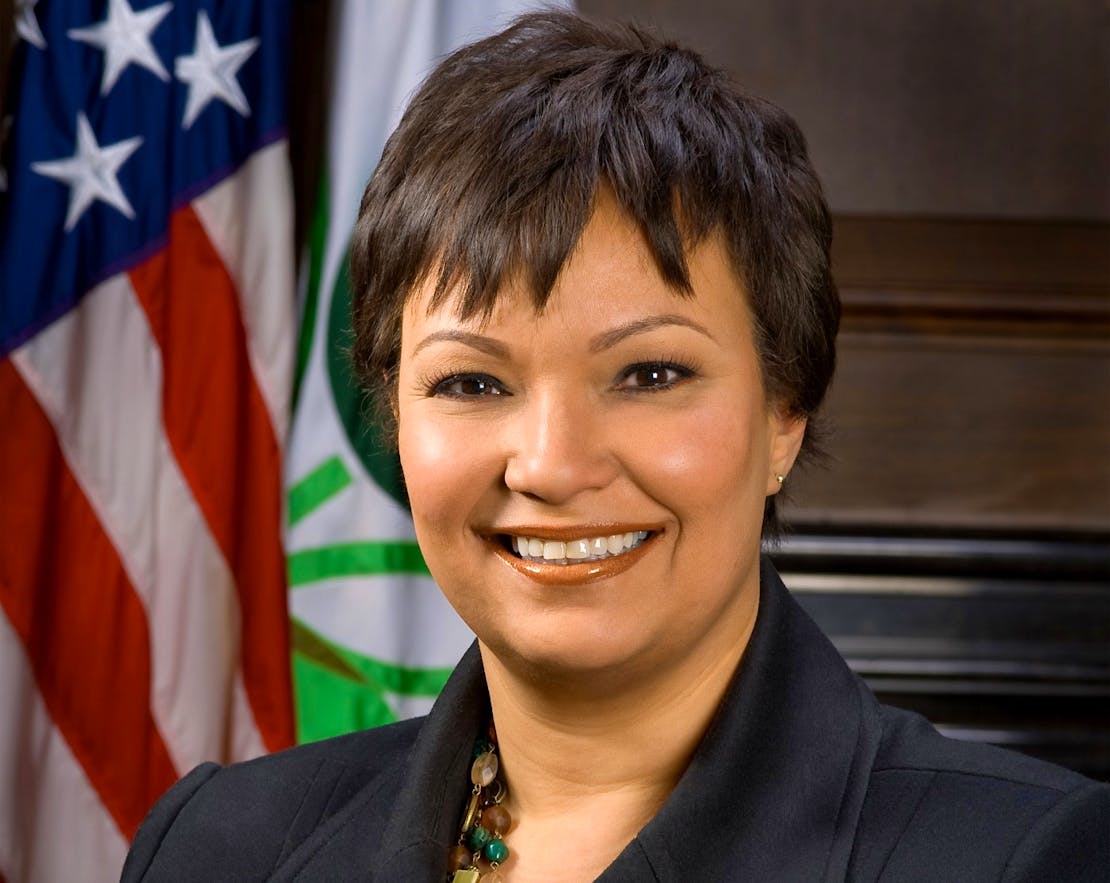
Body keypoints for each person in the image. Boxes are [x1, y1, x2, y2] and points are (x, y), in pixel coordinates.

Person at [122, 11, 1108, 882]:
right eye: (472, 382)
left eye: (648, 375)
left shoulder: (1027, 856)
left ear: (785, 411)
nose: (551, 464)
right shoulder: (217, 846)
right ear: (396, 421)